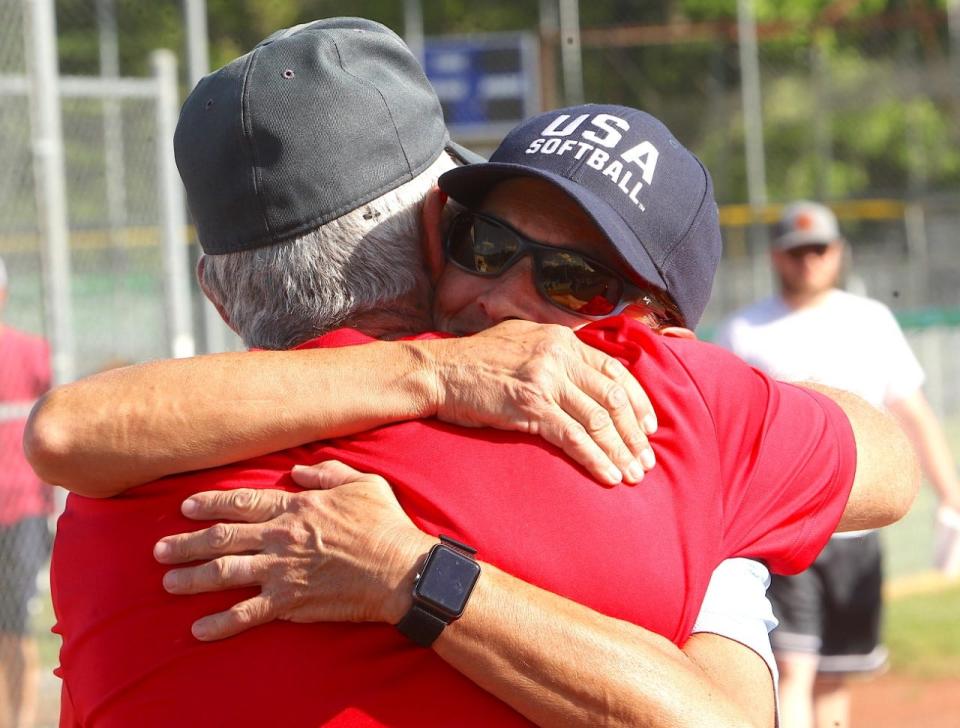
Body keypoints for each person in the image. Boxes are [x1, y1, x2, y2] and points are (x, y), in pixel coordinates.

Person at [31, 20, 916, 728]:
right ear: (433, 230)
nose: (508, 301)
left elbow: (64, 433)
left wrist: (722, 540)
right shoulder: (667, 413)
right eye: (486, 244)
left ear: (218, 299)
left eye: (577, 283)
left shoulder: (110, 512)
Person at [715, 200, 960, 728]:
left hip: (859, 528)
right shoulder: (743, 331)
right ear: (776, 257)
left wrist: (953, 500)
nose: (808, 261)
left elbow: (912, 411)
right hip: (784, 531)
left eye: (819, 249)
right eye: (796, 251)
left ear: (838, 253)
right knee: (793, 669)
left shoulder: (869, 320)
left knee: (835, 675)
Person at [0, 257, 51, 728]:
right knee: (11, 627)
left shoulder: (30, 352)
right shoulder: (33, 350)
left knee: (15, 625)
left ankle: (19, 718)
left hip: (21, 512)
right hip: (23, 512)